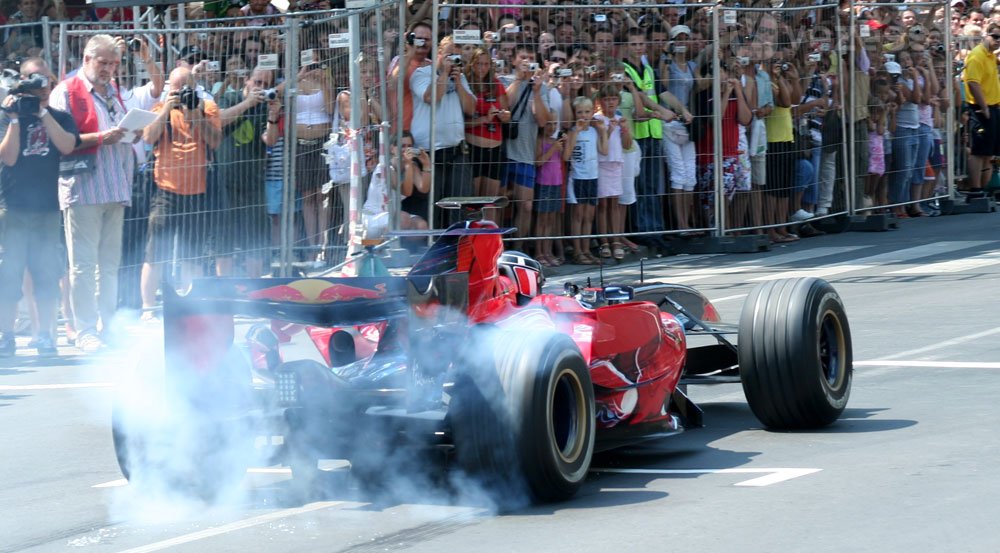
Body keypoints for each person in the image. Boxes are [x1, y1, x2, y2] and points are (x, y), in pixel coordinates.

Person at [49, 34, 135, 353]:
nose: (110, 69)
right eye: (103, 62)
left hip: (115, 186)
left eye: (114, 63)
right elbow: (61, 141)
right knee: (83, 265)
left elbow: (120, 132)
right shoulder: (66, 91)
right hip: (83, 189)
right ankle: (86, 329)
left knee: (109, 265)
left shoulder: (113, 91)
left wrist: (133, 131)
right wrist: (101, 137)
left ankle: (108, 326)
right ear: (86, 59)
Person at [0, 58, 79, 357]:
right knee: (8, 275)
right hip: (13, 207)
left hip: (46, 208)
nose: (40, 86)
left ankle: (45, 335)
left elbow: (67, 145)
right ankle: (6, 335)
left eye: (45, 79)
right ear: (21, 82)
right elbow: (7, 157)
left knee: (47, 275)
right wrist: (16, 117)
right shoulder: (6, 116)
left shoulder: (59, 116)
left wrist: (43, 113)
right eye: (33, 80)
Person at [140, 67, 222, 319]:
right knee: (155, 253)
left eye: (185, 88)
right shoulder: (159, 109)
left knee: (192, 254)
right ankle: (148, 309)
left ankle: (190, 307)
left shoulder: (207, 108)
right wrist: (167, 107)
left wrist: (195, 112)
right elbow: (147, 137)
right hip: (165, 190)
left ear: (195, 88)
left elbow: (215, 141)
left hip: (197, 190)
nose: (181, 93)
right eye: (176, 89)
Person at [216, 67, 277, 277]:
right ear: (247, 81)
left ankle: (254, 291)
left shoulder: (265, 106)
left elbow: (269, 140)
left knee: (255, 240)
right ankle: (223, 289)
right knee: (224, 240)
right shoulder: (230, 97)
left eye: (265, 84)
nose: (261, 88)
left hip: (253, 181)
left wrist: (273, 117)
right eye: (257, 82)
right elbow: (219, 120)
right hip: (225, 181)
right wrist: (247, 103)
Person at [410, 35, 477, 227]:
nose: (453, 61)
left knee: (459, 207)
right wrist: (444, 74)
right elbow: (432, 97)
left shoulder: (460, 77)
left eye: (457, 57)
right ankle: (432, 249)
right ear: (438, 54)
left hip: (456, 151)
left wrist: (457, 83)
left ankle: (457, 250)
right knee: (433, 207)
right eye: (449, 55)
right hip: (430, 152)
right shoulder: (422, 73)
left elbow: (471, 108)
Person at [563, 96, 607, 265]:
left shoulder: (595, 131)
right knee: (578, 216)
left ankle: (586, 249)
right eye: (580, 112)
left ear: (592, 113)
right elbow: (566, 156)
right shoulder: (573, 131)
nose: (584, 115)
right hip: (578, 178)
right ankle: (577, 251)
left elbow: (604, 150)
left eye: (587, 112)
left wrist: (603, 131)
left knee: (589, 216)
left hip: (593, 177)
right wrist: (576, 132)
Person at [960, 23, 1000, 195]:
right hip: (981, 108)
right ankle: (975, 188)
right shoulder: (977, 56)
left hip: (993, 107)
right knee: (978, 150)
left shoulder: (990, 56)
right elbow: (973, 83)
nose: (998, 41)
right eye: (995, 36)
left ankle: (984, 188)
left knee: (988, 152)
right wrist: (984, 108)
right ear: (986, 35)